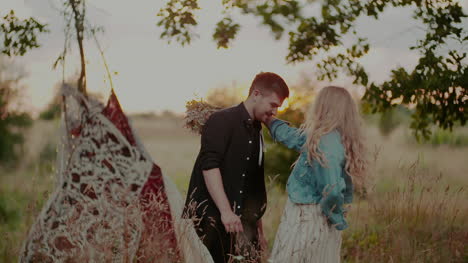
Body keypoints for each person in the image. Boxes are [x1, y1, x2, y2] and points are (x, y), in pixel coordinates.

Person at [183, 72, 289, 263]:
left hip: (243, 226)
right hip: (213, 222)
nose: (274, 112)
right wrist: (226, 212)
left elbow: (251, 184)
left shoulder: (257, 130)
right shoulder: (221, 120)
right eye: (273, 105)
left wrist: (259, 231)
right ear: (256, 94)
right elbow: (209, 166)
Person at [266, 86, 367, 263]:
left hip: (310, 217)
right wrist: (271, 122)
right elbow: (293, 136)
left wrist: (336, 218)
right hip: (308, 214)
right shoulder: (320, 136)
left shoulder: (327, 142)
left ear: (324, 107)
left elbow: (333, 190)